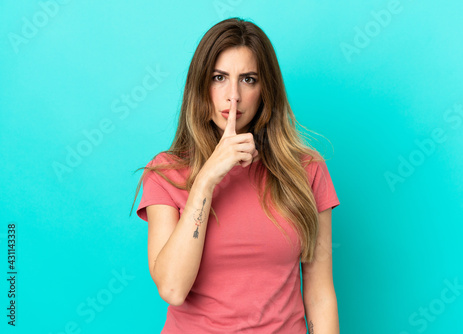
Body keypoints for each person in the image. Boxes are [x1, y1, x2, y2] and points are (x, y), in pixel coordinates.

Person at [130, 17, 340, 333]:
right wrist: (205, 180)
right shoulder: (166, 173)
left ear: (266, 89)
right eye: (219, 77)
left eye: (248, 79)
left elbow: (319, 292)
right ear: (200, 86)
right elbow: (172, 289)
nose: (233, 96)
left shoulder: (306, 170)